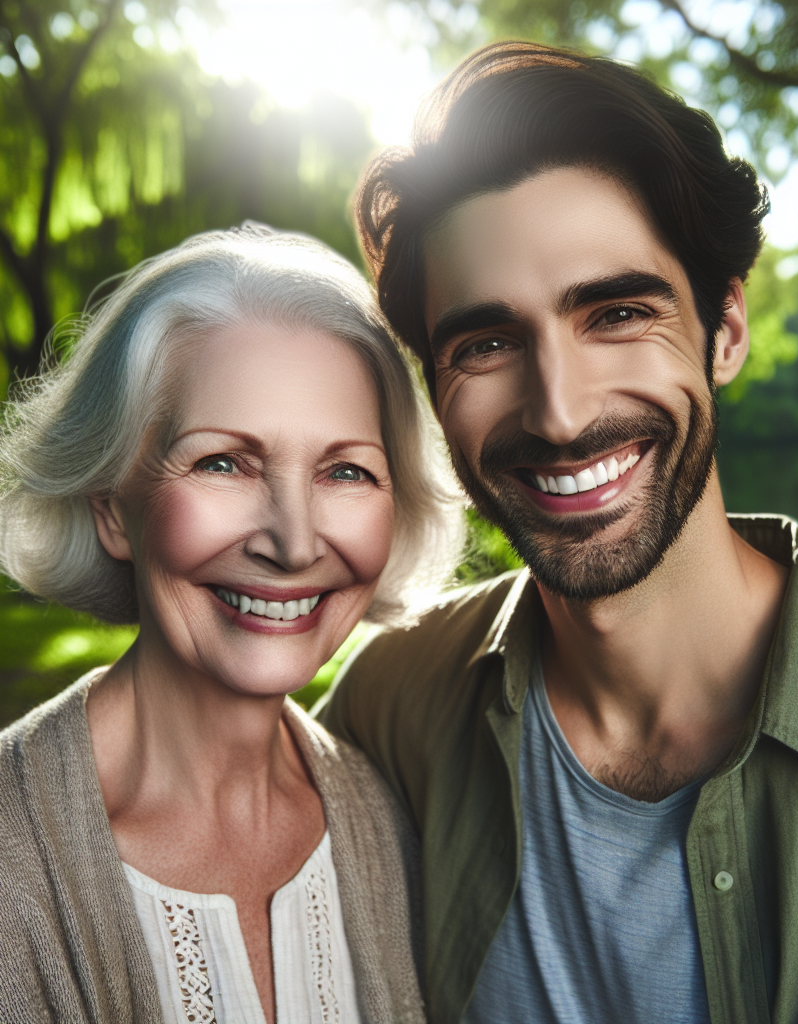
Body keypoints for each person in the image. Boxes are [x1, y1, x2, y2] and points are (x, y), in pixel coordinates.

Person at [316, 42, 798, 1023]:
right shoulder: (387, 708)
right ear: (435, 389)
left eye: (614, 312)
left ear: (724, 327)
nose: (559, 413)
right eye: (484, 342)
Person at [0, 225, 464, 1023]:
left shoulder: (391, 817)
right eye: (224, 462)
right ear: (112, 505)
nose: (293, 542)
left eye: (345, 470)